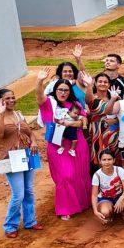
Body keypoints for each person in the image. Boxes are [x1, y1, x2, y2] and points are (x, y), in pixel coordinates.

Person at [35, 69, 91, 220]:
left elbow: (83, 121)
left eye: (66, 90)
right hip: (57, 145)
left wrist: (69, 123)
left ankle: (82, 203)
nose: (63, 92)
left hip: (76, 143)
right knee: (65, 176)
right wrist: (39, 81)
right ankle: (66, 207)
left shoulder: (75, 104)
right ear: (55, 90)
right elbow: (39, 97)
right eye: (60, 89)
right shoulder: (48, 103)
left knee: (80, 173)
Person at [0, 89, 42, 238]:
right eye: (7, 98)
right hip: (10, 158)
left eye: (13, 97)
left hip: (26, 155)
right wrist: (1, 114)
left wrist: (33, 142)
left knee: (29, 190)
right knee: (18, 194)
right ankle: (10, 225)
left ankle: (30, 221)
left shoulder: (18, 114)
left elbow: (29, 132)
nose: (12, 100)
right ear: (0, 101)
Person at [85, 72, 120, 173]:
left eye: (105, 82)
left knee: (115, 162)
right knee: (98, 162)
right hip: (97, 135)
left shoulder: (115, 98)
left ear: (109, 84)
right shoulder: (93, 99)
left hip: (114, 135)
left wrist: (116, 120)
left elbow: (123, 115)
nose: (102, 83)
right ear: (95, 84)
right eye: (100, 81)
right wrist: (88, 85)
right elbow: (88, 100)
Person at [91, 149, 124, 224]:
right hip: (105, 198)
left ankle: (123, 211)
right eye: (104, 160)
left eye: (109, 159)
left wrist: (120, 199)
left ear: (114, 160)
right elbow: (94, 195)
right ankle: (112, 213)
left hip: (119, 196)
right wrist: (95, 211)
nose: (107, 162)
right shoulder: (97, 175)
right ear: (100, 161)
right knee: (105, 212)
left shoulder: (119, 170)